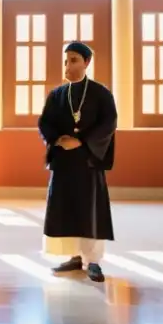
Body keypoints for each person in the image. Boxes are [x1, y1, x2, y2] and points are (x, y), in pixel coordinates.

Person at [40, 41, 117, 283]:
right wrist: (58, 139)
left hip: (88, 162)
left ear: (86, 62)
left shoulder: (101, 93)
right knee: (66, 210)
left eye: (73, 60)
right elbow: (45, 123)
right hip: (64, 163)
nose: (68, 65)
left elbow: (109, 124)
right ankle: (73, 256)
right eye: (66, 60)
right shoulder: (57, 95)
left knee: (90, 210)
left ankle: (92, 261)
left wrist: (82, 141)